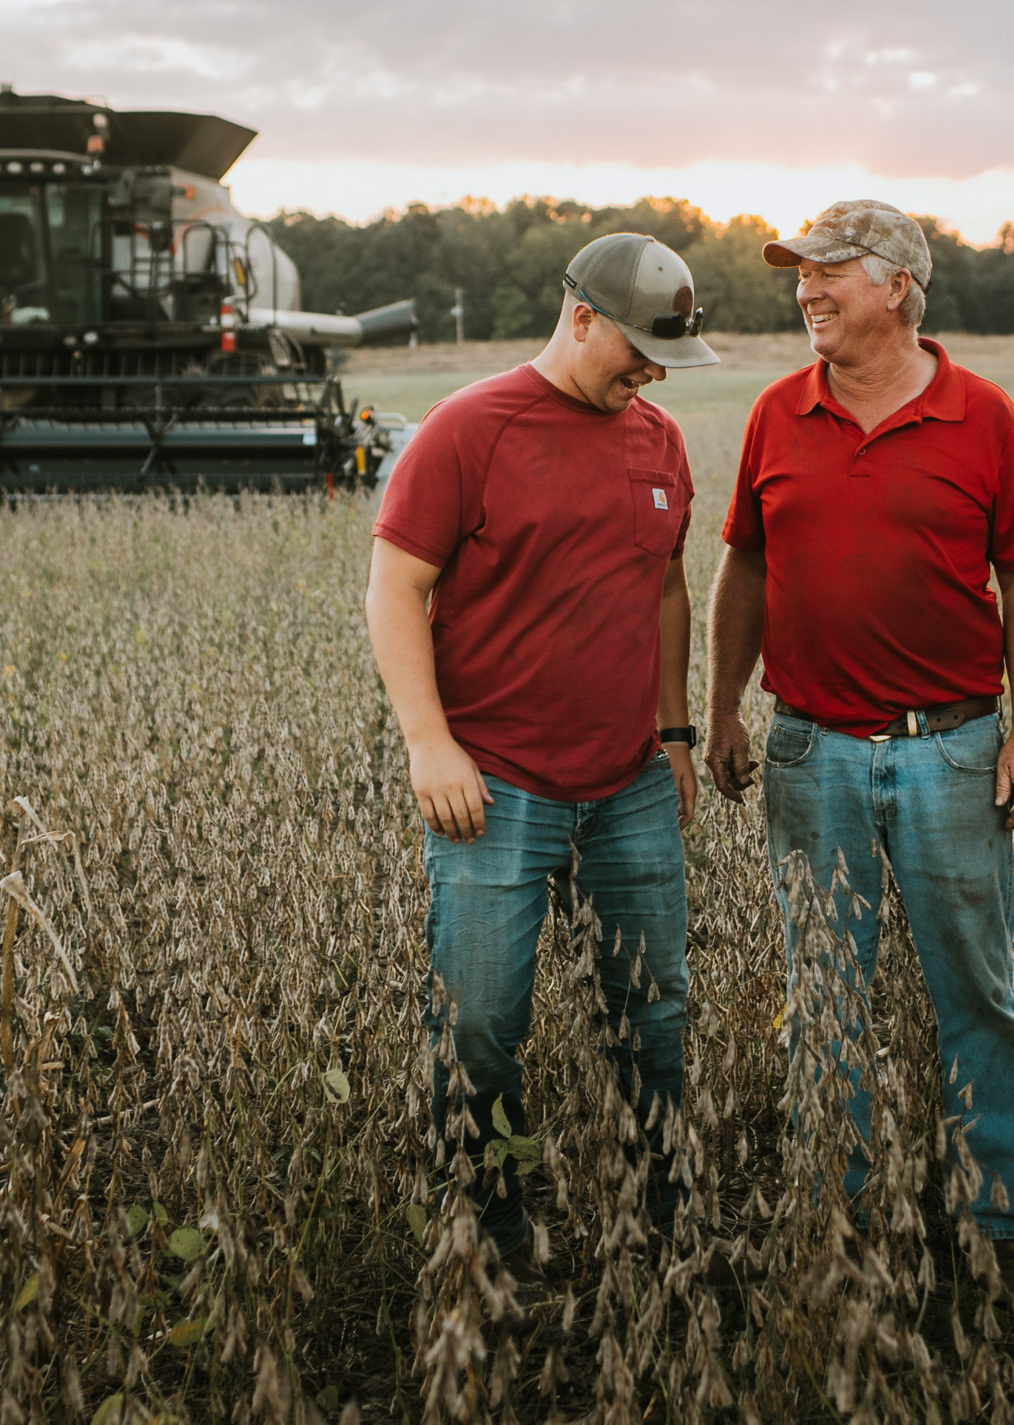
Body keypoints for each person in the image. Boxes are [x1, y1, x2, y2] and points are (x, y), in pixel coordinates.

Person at [703, 199, 1014, 1306]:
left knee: (978, 994)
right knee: (825, 994)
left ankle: (994, 1220)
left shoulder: (983, 415)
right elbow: (745, 572)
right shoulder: (776, 412)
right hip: (812, 755)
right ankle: (839, 1219)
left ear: (898, 285)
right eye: (798, 274)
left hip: (951, 751)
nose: (805, 289)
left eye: (828, 272)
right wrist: (720, 708)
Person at [365, 233, 717, 1281]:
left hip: (630, 786)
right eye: (641, 350)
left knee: (653, 1010)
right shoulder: (468, 431)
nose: (653, 374)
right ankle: (492, 1221)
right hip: (496, 783)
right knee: (479, 1022)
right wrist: (430, 743)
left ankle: (664, 1203)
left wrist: (674, 733)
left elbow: (663, 590)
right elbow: (396, 590)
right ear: (581, 319)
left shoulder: (658, 441)